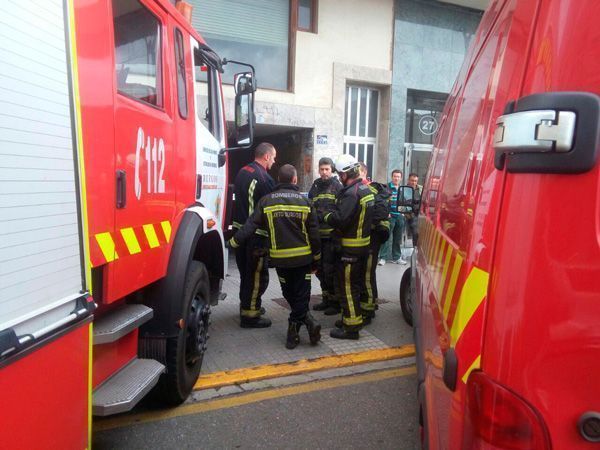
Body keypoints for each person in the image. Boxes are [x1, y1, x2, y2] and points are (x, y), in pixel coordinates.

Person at [229, 165, 322, 349]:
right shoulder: (305, 202)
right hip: (303, 260)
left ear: (278, 180)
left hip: (281, 261)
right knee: (302, 295)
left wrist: (233, 243)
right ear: (294, 180)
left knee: (288, 292)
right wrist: (317, 256)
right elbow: (314, 233)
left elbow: (250, 225)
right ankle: (297, 328)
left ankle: (303, 326)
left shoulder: (266, 201)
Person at [321, 154, 374, 340]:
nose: (338, 177)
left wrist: (326, 215)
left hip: (349, 251)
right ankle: (350, 318)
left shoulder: (352, 194)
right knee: (354, 287)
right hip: (362, 248)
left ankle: (351, 328)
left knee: (347, 289)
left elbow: (341, 220)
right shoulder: (365, 190)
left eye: (339, 174)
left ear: (345, 174)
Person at [231, 142, 276, 328]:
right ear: (266, 156)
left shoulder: (243, 171)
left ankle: (247, 306)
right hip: (255, 236)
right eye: (273, 157)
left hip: (239, 233)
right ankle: (251, 316)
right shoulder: (264, 178)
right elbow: (269, 210)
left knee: (246, 274)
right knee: (257, 276)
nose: (274, 161)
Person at [308, 157, 343, 315]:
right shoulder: (315, 186)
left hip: (331, 236)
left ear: (332, 170)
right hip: (317, 236)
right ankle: (326, 299)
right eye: (321, 169)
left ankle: (335, 303)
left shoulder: (337, 187)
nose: (324, 172)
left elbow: (340, 213)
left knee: (330, 270)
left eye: (327, 169)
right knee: (320, 270)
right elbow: (309, 207)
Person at [358, 162, 391, 321]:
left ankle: (368, 310)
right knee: (368, 274)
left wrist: (367, 225)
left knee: (367, 274)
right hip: (371, 238)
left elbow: (381, 212)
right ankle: (372, 302)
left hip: (372, 238)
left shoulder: (369, 189)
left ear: (364, 173)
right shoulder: (365, 189)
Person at [378, 169, 406, 266]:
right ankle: (383, 258)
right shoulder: (386, 188)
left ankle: (397, 257)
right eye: (395, 176)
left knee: (397, 238)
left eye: (398, 177)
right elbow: (382, 202)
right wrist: (387, 213)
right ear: (392, 177)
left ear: (401, 178)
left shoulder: (402, 189)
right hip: (390, 216)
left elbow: (405, 202)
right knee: (386, 237)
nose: (396, 178)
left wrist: (403, 212)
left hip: (399, 217)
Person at [405, 173, 422, 246]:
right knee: (414, 231)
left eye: (415, 181)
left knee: (417, 232)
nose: (414, 183)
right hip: (408, 213)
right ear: (408, 180)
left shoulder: (421, 189)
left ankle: (415, 247)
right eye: (412, 180)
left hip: (419, 213)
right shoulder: (404, 189)